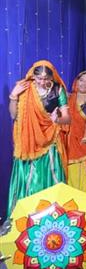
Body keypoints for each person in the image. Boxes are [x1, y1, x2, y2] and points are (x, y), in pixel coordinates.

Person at [8, 60, 71, 216]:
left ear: (51, 77)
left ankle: (52, 217)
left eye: (46, 79)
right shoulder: (25, 88)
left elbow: (67, 118)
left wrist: (57, 119)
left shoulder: (57, 90)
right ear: (33, 76)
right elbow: (14, 115)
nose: (42, 82)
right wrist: (13, 95)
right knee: (27, 179)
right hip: (28, 142)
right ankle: (23, 217)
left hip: (50, 141)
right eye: (39, 78)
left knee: (50, 177)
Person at [65, 71, 86, 192]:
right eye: (81, 80)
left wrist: (85, 137)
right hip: (69, 149)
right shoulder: (68, 99)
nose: (84, 83)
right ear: (76, 82)